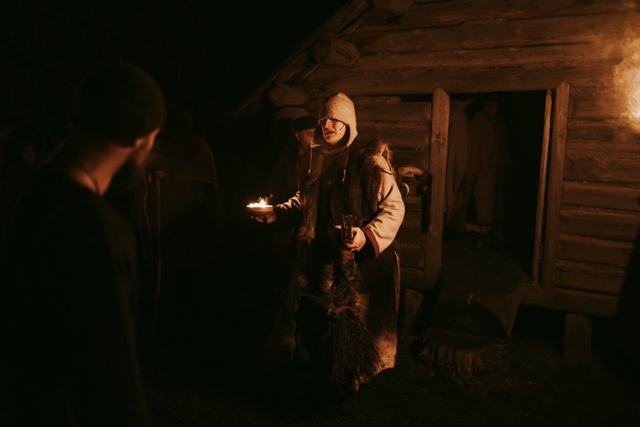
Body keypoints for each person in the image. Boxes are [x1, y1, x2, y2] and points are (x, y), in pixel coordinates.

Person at [0, 61, 164, 426]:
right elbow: (112, 391)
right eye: (154, 139)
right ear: (138, 139)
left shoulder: (16, 188)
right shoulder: (97, 233)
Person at [258, 92, 405, 412]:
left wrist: (366, 236)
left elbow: (394, 208)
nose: (328, 125)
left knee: (347, 325)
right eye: (324, 119)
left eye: (335, 120)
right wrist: (278, 213)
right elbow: (303, 200)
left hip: (352, 263)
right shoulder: (316, 158)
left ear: (349, 123)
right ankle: (306, 377)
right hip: (316, 258)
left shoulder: (370, 161)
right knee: (309, 320)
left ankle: (343, 388)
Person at [132, 103, 224, 339]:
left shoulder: (198, 146)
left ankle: (199, 327)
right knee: (169, 273)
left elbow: (200, 177)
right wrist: (154, 170)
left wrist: (169, 173)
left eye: (183, 121)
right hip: (167, 221)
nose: (179, 126)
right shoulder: (164, 147)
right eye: (174, 121)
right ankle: (170, 326)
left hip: (193, 220)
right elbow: (146, 165)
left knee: (194, 272)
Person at [454, 94, 509, 248]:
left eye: (494, 104)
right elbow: (472, 148)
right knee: (478, 202)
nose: (490, 108)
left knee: (494, 203)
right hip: (478, 170)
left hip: (494, 170)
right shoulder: (476, 124)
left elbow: (503, 148)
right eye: (488, 104)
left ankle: (489, 233)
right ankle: (476, 234)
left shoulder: (500, 124)